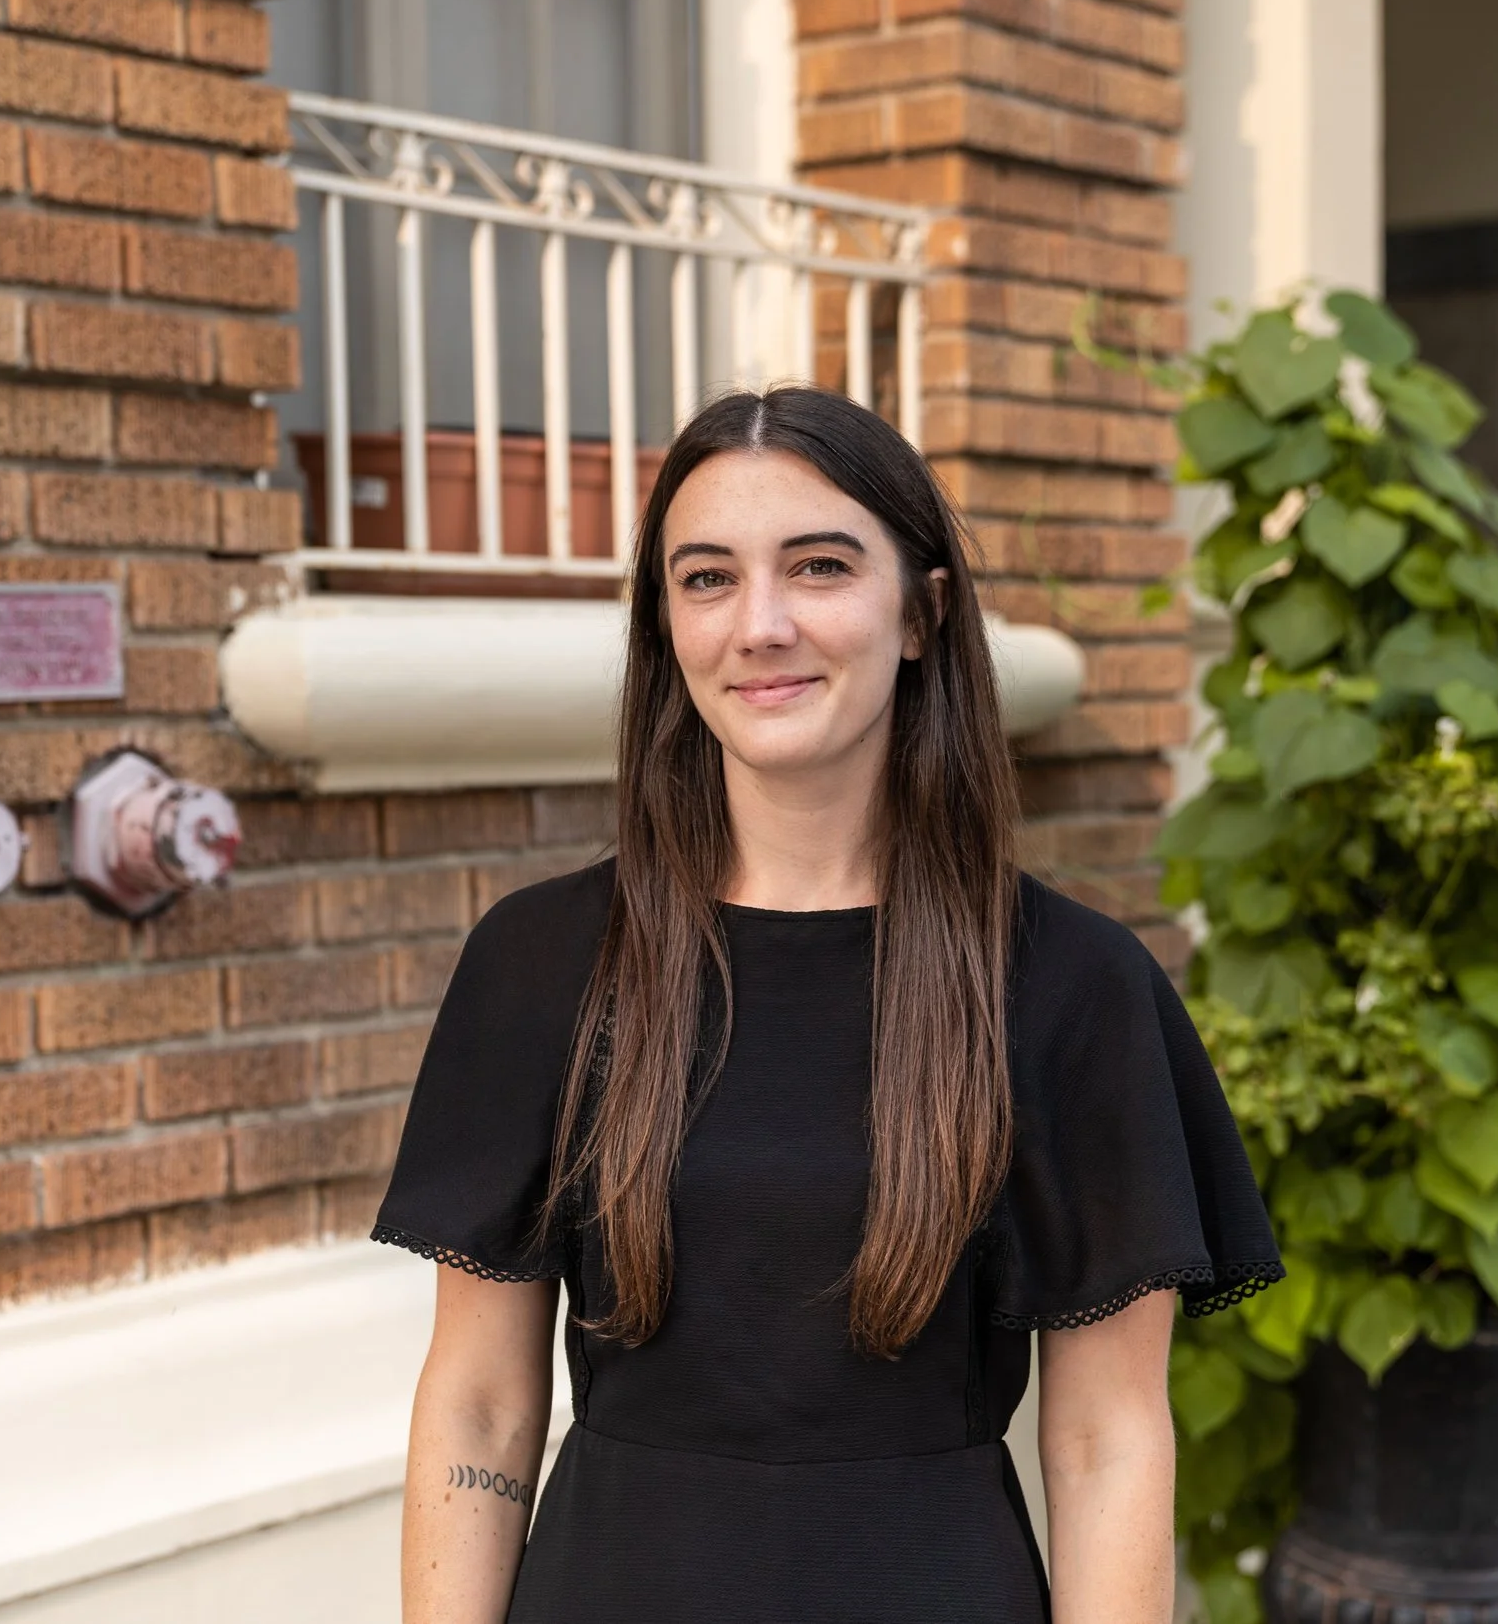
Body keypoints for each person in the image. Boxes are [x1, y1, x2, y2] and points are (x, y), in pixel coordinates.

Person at [370, 385, 1283, 1622]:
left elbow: (1108, 1438)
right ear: (666, 625)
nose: (760, 624)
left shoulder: (1071, 984)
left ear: (922, 612)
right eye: (705, 578)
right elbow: (480, 1399)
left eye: (818, 565)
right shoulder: (542, 962)